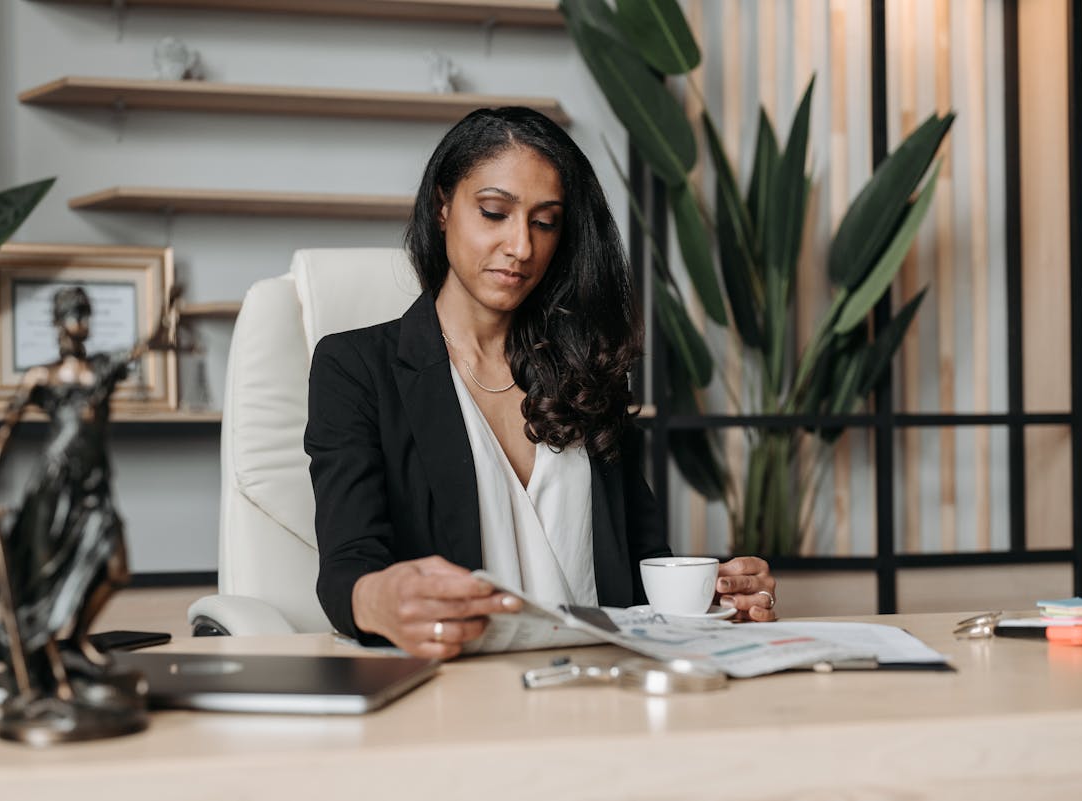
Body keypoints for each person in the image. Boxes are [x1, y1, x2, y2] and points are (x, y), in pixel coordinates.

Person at [305, 107, 776, 660]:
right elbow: (347, 572)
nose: (521, 246)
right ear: (441, 206)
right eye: (494, 212)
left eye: (545, 222)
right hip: (460, 697)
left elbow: (643, 566)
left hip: (603, 693)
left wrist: (722, 594)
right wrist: (378, 598)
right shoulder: (354, 368)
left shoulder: (586, 371)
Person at [0, 285, 177, 712]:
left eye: (83, 314)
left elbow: (141, 347)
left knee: (117, 569)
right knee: (45, 578)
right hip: (54, 487)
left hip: (95, 485)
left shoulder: (102, 368)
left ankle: (78, 637)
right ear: (57, 323)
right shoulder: (40, 377)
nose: (78, 323)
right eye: (70, 314)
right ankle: (49, 659)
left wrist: (162, 324)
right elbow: (7, 429)